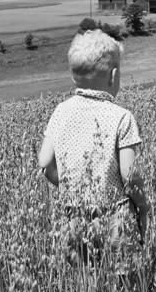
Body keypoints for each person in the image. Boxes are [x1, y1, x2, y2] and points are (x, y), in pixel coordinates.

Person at [38, 29, 150, 263]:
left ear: (73, 76)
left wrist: (73, 187)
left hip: (74, 218)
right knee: (121, 285)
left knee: (84, 284)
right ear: (114, 75)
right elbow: (129, 175)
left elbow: (45, 163)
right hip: (115, 219)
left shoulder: (60, 111)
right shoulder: (122, 117)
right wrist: (142, 207)